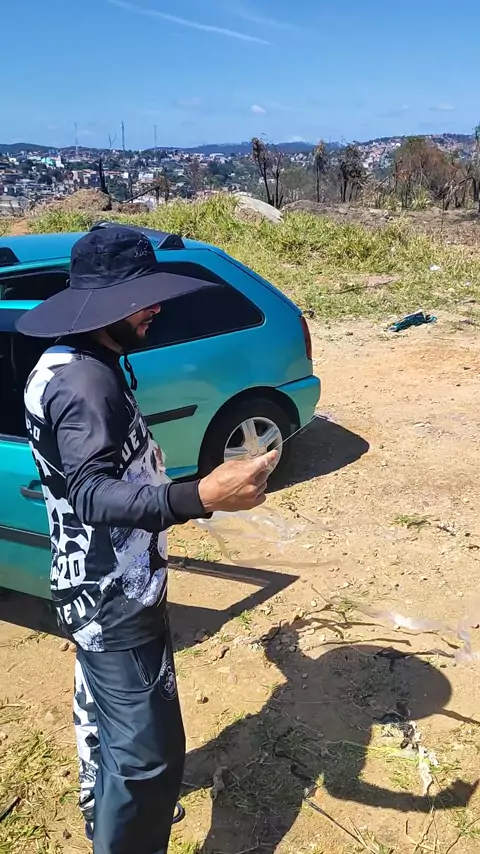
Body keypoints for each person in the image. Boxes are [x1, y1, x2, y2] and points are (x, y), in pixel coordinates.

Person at [17, 224, 277, 854]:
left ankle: (100, 809)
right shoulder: (84, 384)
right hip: (113, 599)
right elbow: (91, 494)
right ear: (105, 304)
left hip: (94, 584)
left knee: (103, 718)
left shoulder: (82, 358)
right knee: (148, 759)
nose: (154, 308)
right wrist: (200, 496)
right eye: (142, 300)